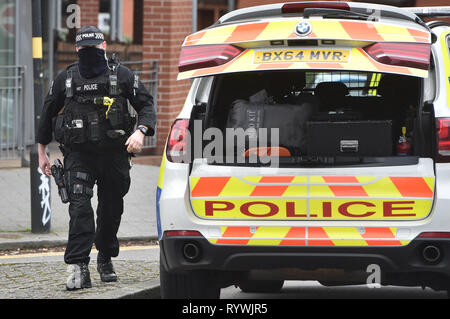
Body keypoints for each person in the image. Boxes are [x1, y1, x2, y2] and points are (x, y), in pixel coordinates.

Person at [36, 26, 156, 290]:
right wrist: (42, 151)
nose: (90, 53)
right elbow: (46, 114)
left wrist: (141, 131)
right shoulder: (66, 79)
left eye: (94, 47)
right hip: (79, 155)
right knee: (79, 208)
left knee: (111, 209)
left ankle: (104, 257)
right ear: (78, 49)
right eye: (85, 48)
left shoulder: (121, 75)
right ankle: (79, 266)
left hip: (114, 154)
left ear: (103, 47)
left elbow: (146, 105)